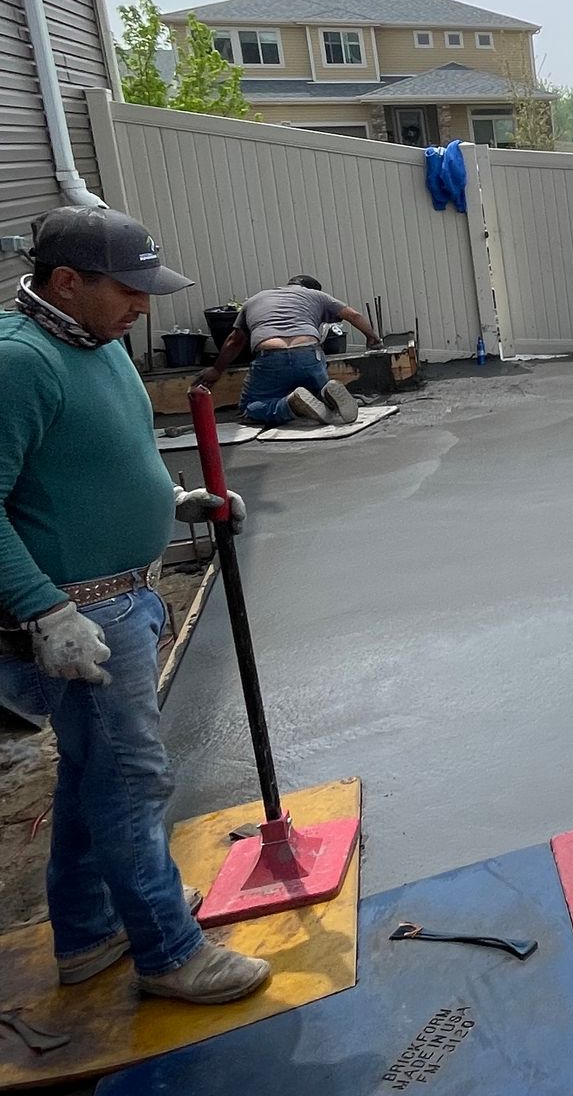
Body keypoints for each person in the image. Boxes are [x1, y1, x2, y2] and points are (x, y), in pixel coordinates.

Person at [0, 208, 272, 1003]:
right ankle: (169, 952)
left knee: (95, 779)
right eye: (129, 289)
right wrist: (43, 612)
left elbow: (90, 463)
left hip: (129, 597)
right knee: (129, 783)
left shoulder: (95, 342)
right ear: (66, 283)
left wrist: (176, 502)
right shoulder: (22, 362)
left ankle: (91, 934)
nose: (145, 307)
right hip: (80, 619)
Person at [202, 274, 375, 427]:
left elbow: (234, 340)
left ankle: (289, 405)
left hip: (271, 355)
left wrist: (217, 370)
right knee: (314, 389)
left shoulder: (255, 299)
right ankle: (325, 393)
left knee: (251, 407)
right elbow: (354, 315)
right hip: (307, 352)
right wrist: (372, 337)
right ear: (311, 289)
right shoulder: (316, 295)